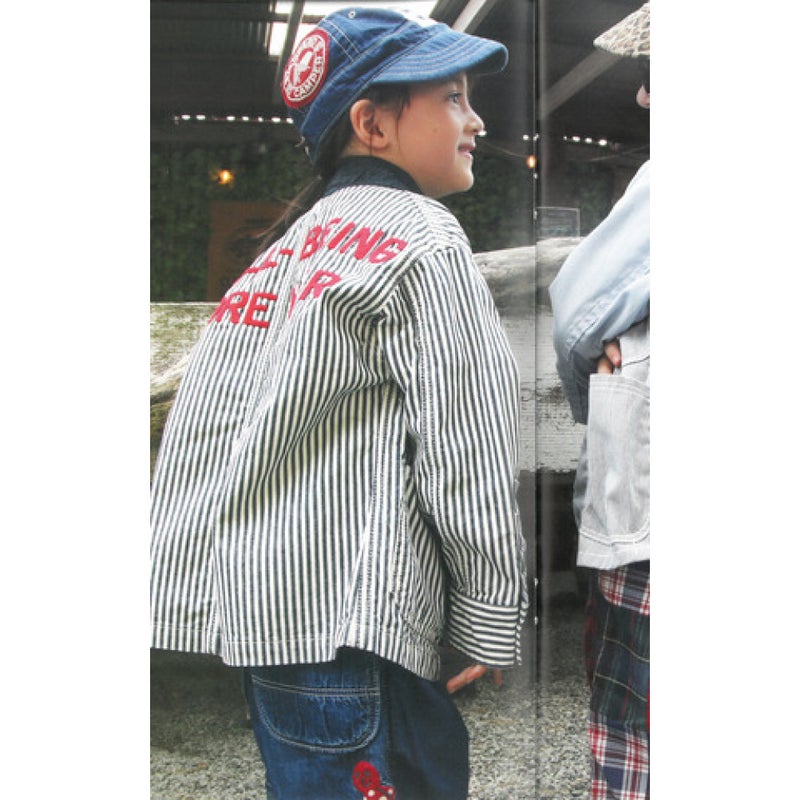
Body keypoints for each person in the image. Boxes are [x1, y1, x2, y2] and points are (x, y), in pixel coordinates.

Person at [150, 7, 528, 799]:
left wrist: (190, 594)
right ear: (372, 124)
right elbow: (468, 445)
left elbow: (202, 437)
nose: (477, 119)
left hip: (269, 626)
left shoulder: (274, 261)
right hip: (359, 629)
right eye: (453, 97)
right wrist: (488, 619)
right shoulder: (423, 238)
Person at [548, 3, 651, 799]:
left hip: (651, 517)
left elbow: (578, 310)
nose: (644, 96)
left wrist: (605, 379)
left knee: (635, 729)